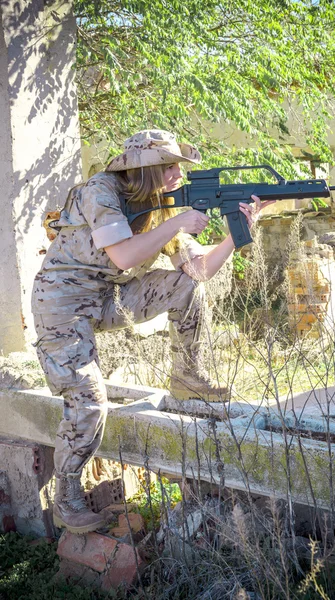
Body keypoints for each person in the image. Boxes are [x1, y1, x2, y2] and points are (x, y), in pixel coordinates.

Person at [31, 130, 271, 534]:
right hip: (62, 303)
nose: (179, 174)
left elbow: (199, 271)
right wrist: (177, 220)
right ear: (145, 169)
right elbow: (123, 253)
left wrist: (236, 232)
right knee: (89, 399)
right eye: (171, 166)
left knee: (185, 284)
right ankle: (67, 495)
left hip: (107, 297)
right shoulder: (100, 190)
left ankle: (188, 376)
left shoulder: (160, 207)